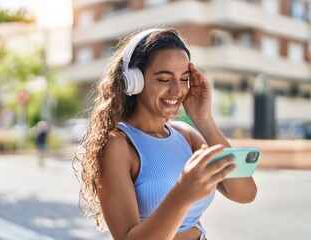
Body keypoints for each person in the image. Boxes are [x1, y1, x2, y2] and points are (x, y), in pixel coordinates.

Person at [77, 28, 257, 240]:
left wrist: (205, 122)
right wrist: (182, 193)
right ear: (134, 80)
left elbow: (244, 193)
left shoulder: (187, 136)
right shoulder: (119, 144)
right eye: (164, 79)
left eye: (184, 79)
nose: (177, 91)